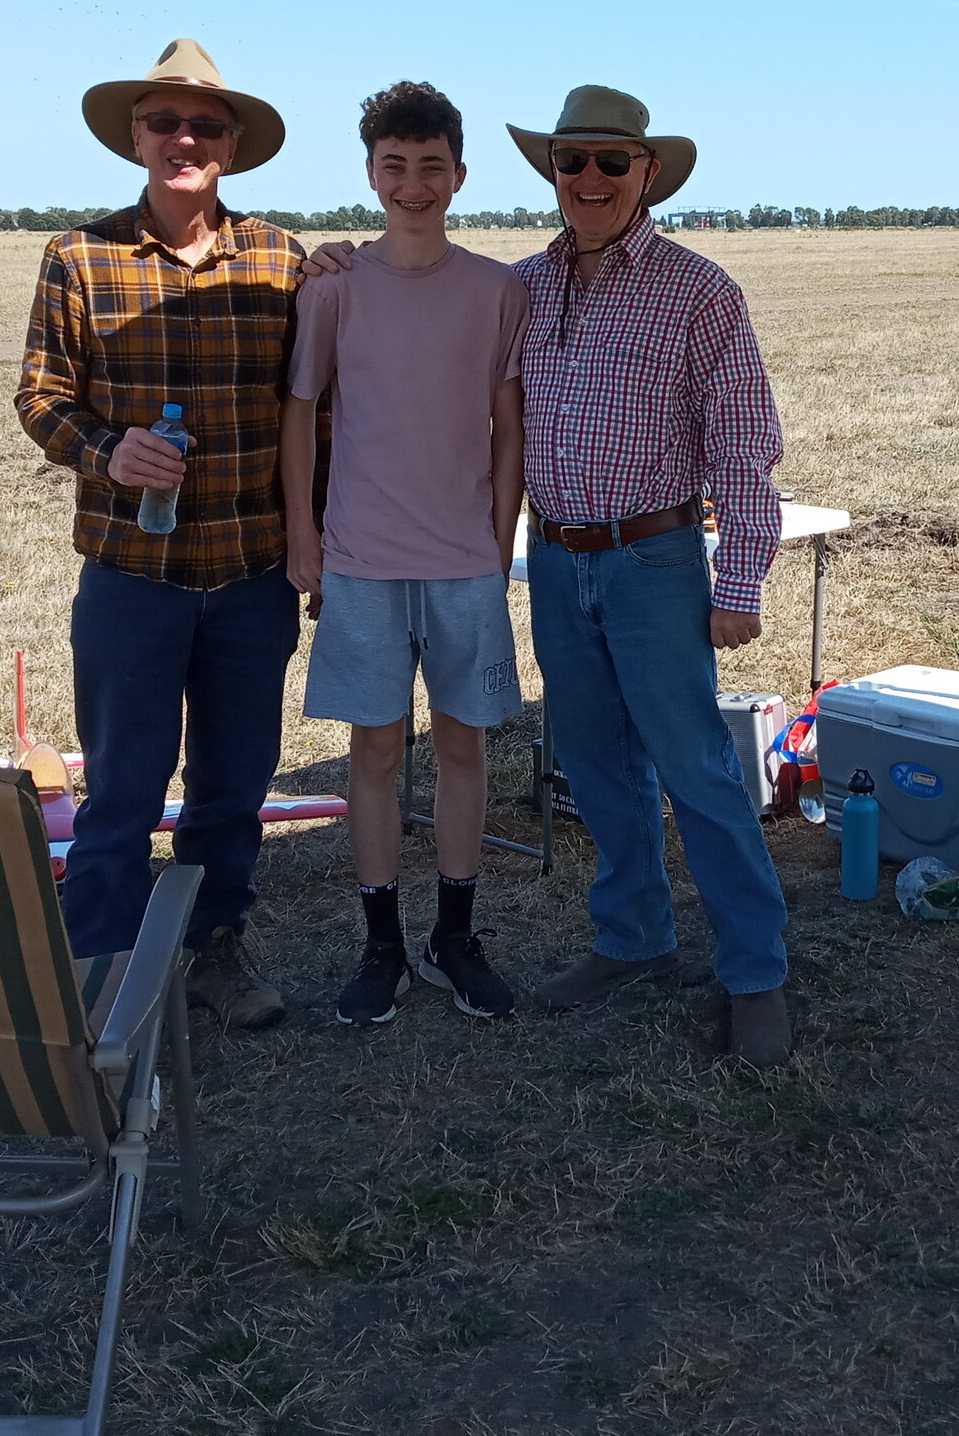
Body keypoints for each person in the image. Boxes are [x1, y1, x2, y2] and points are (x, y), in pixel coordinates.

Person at [302, 86, 793, 1066]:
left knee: (693, 768)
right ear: (551, 173)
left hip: (653, 560)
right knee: (601, 769)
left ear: (647, 174)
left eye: (613, 162)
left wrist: (739, 581)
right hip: (556, 559)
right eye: (573, 161)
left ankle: (758, 973)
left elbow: (744, 447)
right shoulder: (524, 287)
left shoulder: (701, 293)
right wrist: (331, 259)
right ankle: (633, 937)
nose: (592, 179)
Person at [16, 37, 308, 1030]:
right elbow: (40, 398)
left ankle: (214, 950)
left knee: (232, 789)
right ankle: (101, 981)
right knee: (121, 794)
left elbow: (313, 405)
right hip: (131, 576)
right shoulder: (77, 256)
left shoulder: (282, 260)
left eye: (203, 125)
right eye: (163, 123)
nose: (183, 138)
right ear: (136, 139)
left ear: (232, 144)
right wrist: (107, 452)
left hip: (249, 574)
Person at [280, 82, 530, 1028]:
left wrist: (498, 539)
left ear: (460, 176)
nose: (414, 184)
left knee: (462, 745)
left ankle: (454, 936)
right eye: (396, 166)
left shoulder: (498, 289)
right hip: (362, 560)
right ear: (371, 172)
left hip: (465, 559)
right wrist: (305, 532)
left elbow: (508, 426)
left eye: (432, 167)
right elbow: (302, 413)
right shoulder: (336, 289)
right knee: (375, 749)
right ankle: (381, 943)